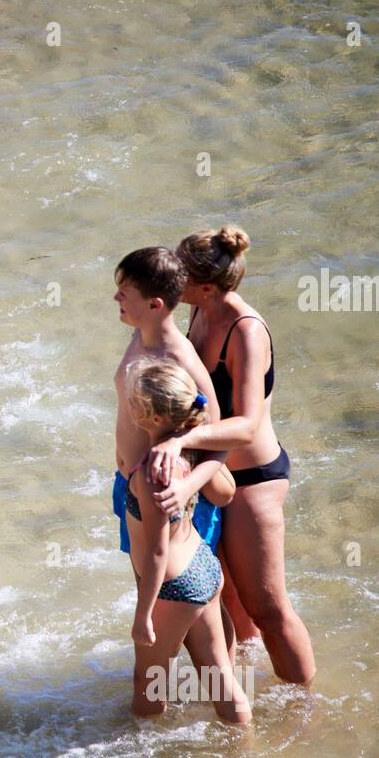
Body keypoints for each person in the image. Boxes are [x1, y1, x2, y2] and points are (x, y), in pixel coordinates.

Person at [142, 226, 316, 686]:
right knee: (225, 602)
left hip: (252, 477)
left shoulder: (246, 332)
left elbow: (248, 424)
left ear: (207, 287)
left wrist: (178, 442)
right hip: (210, 477)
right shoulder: (198, 309)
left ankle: (305, 709)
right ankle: (241, 696)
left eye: (181, 277)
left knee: (269, 608)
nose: (173, 282)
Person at [111, 246, 237, 650]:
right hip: (133, 487)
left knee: (193, 606)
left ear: (154, 304)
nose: (116, 299)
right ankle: (194, 687)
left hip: (171, 495)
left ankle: (221, 682)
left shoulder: (176, 356)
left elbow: (219, 435)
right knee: (160, 606)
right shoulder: (140, 332)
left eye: (123, 293)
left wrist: (187, 488)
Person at [123, 358, 250, 724]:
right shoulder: (182, 449)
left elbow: (158, 552)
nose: (127, 406)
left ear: (152, 416)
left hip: (174, 585)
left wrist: (143, 616)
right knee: (219, 677)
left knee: (148, 683)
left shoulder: (154, 472)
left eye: (133, 400)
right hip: (202, 565)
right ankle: (246, 746)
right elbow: (225, 441)